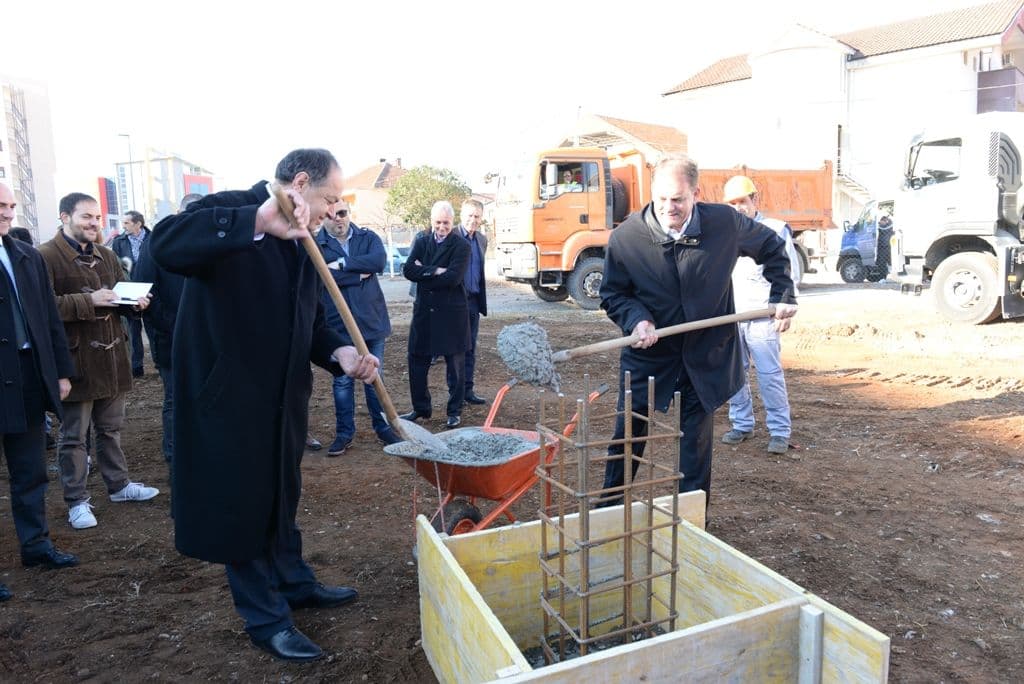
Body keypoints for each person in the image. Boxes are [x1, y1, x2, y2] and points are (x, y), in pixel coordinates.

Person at [149, 148, 380, 662]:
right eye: (329, 199)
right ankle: (265, 618)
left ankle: (293, 581)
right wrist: (256, 220)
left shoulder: (304, 242)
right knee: (242, 505)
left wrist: (339, 351)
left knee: (281, 492)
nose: (331, 210)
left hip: (282, 398)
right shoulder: (232, 210)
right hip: (229, 399)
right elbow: (165, 247)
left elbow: (311, 320)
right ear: (299, 182)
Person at [599, 155, 797, 509]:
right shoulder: (627, 238)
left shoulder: (724, 224)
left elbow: (772, 248)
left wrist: (782, 292)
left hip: (705, 352)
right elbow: (614, 293)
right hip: (650, 355)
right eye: (660, 199)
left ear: (696, 193)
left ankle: (692, 520)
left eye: (677, 199)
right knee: (629, 433)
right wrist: (637, 320)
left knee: (696, 444)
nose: (668, 208)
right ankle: (608, 509)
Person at [38, 193, 160, 531]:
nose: (94, 223)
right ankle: (76, 501)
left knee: (111, 429)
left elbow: (118, 294)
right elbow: (41, 308)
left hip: (112, 358)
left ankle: (119, 486)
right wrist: (87, 300)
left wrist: (134, 302)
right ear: (65, 217)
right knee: (74, 437)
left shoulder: (106, 255)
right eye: (86, 217)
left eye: (97, 217)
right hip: (75, 361)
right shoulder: (45, 256)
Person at [0, 182, 80, 603]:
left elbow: (49, 318)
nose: (9, 212)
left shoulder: (25, 255)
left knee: (30, 470)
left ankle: (36, 545)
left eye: (11, 205)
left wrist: (60, 372)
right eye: (1, 205)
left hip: (29, 378)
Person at [720, 175, 800, 455]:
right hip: (731, 318)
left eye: (743, 201)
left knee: (769, 375)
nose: (738, 207)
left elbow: (790, 273)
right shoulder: (723, 234)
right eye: (732, 203)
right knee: (733, 375)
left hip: (764, 316)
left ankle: (779, 431)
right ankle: (742, 424)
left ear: (755, 200)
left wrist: (786, 307)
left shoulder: (775, 230)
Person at [315, 199, 399, 455]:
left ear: (348, 214)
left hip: (371, 320)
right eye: (331, 215)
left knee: (374, 376)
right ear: (325, 218)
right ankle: (344, 434)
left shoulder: (368, 237)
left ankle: (384, 429)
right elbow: (321, 275)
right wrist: (358, 273)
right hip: (338, 326)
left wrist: (340, 266)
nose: (338, 218)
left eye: (342, 213)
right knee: (342, 381)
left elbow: (377, 262)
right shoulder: (317, 244)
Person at [131, 195, 201, 466]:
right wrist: (176, 325)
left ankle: (199, 451)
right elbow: (144, 291)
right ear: (179, 213)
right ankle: (176, 458)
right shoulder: (156, 244)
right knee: (175, 398)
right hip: (169, 338)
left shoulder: (209, 245)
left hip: (205, 340)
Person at [401, 201, 470, 429]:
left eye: (446, 223)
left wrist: (424, 271)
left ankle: (454, 411)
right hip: (425, 313)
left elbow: (454, 278)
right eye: (438, 222)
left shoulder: (461, 246)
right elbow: (408, 270)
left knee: (456, 367)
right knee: (416, 361)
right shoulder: (421, 241)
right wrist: (434, 270)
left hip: (451, 315)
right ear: (431, 222)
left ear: (453, 222)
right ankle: (421, 408)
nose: (441, 227)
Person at [110, 211, 151, 378]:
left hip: (150, 290)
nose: (123, 226)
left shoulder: (154, 238)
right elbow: (116, 266)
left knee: (153, 327)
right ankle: (136, 366)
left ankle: (159, 360)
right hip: (129, 290)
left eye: (126, 223)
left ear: (138, 224)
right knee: (133, 329)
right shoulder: (119, 242)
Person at [457, 199, 488, 406]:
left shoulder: (482, 240)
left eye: (477, 216)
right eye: (469, 215)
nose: (473, 220)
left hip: (474, 302)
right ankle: (456, 395)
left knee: (470, 349)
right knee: (456, 351)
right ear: (461, 216)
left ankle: (468, 390)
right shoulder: (451, 237)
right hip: (455, 303)